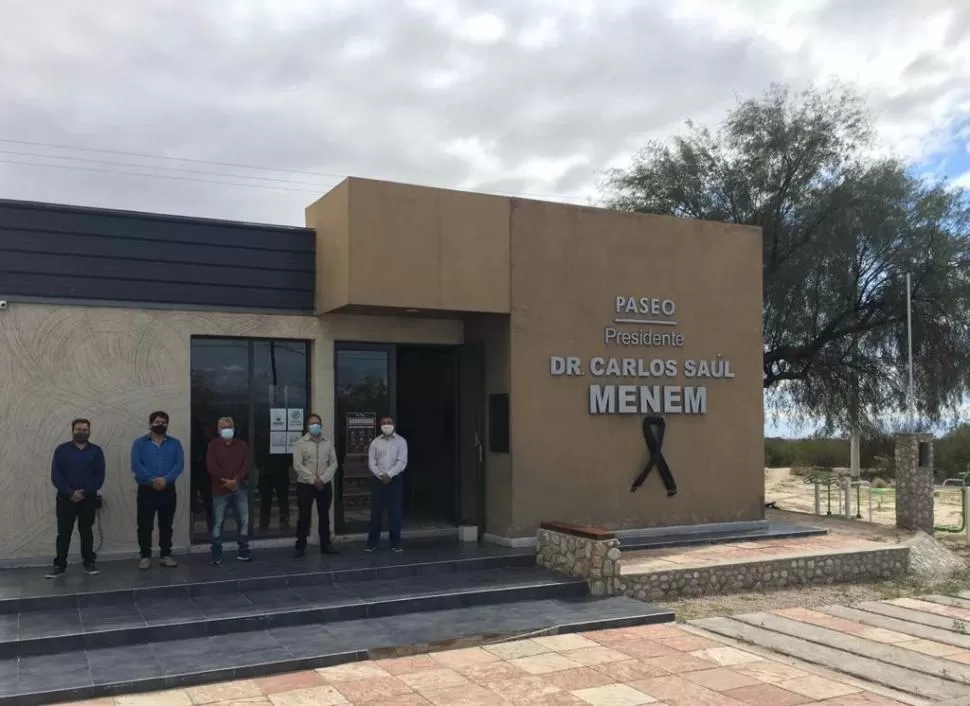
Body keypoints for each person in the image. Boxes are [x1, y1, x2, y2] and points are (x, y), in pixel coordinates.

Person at [46, 419, 105, 578]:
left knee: (86, 532)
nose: (82, 432)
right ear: (72, 430)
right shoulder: (62, 450)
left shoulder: (96, 451)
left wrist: (84, 493)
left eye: (85, 430)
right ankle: (59, 565)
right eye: (79, 429)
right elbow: (56, 475)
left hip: (88, 498)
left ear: (89, 431)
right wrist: (70, 492)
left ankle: (88, 562)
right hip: (66, 499)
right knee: (63, 533)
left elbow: (99, 476)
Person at [130, 410, 184, 570]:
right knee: (145, 524)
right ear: (150, 424)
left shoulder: (175, 443)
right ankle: (145, 556)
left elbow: (179, 464)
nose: (160, 424)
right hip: (147, 488)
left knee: (166, 523)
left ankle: (165, 555)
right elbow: (136, 465)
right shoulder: (139, 443)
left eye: (163, 422)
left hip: (167, 489)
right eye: (157, 422)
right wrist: (152, 479)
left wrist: (165, 480)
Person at [206, 416, 252, 565]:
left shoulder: (242, 445)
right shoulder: (213, 446)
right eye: (223, 427)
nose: (227, 430)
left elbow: (247, 464)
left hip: (239, 487)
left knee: (244, 520)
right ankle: (216, 553)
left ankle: (244, 551)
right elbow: (211, 466)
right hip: (220, 489)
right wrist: (225, 481)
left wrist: (236, 480)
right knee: (218, 522)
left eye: (229, 426)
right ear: (218, 430)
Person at [292, 414, 339, 557]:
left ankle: (326, 545)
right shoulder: (300, 443)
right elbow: (298, 465)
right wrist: (313, 480)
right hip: (305, 484)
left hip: (324, 484)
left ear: (321, 425)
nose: (315, 426)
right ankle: (300, 546)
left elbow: (333, 463)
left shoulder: (328, 443)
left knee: (324, 516)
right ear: (307, 426)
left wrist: (323, 479)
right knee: (304, 516)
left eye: (317, 423)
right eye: (312, 423)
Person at [365, 416, 408, 552]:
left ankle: (395, 543)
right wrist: (380, 475)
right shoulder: (375, 443)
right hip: (378, 480)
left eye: (389, 423)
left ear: (394, 425)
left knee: (395, 512)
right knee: (376, 512)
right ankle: (372, 543)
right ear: (380, 425)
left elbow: (402, 461)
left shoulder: (401, 441)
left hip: (394, 480)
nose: (386, 425)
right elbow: (372, 462)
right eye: (384, 423)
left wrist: (389, 474)